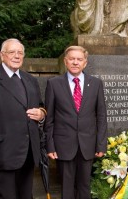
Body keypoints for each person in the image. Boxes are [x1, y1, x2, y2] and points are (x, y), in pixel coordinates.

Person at [0, 38, 46, 198]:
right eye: (12, 52)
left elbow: (41, 106)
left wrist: (41, 114)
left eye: (20, 53)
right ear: (2, 55)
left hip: (29, 152)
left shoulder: (30, 80)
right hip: (2, 152)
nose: (16, 56)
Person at [44, 45, 107, 199]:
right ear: (65, 61)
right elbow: (49, 118)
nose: (75, 62)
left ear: (85, 63)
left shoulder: (96, 83)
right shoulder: (54, 84)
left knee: (85, 186)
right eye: (72, 59)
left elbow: (101, 117)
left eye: (79, 59)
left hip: (88, 145)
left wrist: (101, 144)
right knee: (66, 186)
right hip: (63, 145)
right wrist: (50, 145)